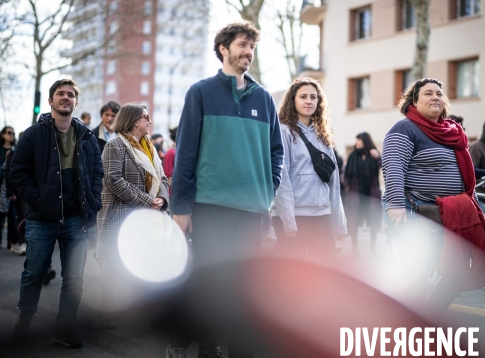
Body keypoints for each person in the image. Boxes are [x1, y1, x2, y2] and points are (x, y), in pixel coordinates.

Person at [169, 21, 284, 358]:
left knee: (244, 281)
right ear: (223, 48)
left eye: (252, 46)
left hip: (252, 207)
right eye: (242, 45)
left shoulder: (264, 97)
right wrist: (181, 208)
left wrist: (268, 187)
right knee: (210, 278)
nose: (248, 52)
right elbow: (186, 152)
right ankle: (207, 346)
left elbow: (276, 150)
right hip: (209, 205)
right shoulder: (201, 92)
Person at [382, 78, 485, 313]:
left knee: (456, 273)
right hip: (414, 210)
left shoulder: (452, 132)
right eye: (428, 93)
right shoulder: (405, 128)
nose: (435, 97)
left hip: (449, 212)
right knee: (418, 275)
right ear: (414, 101)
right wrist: (395, 203)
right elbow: (393, 166)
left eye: (439, 93)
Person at [11, 79, 103, 347]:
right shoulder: (32, 134)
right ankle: (25, 318)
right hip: (42, 218)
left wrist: (94, 200)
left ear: (76, 102)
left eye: (71, 94)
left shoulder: (86, 137)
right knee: (34, 273)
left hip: (77, 219)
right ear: (50, 101)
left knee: (74, 278)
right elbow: (17, 171)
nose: (66, 97)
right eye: (60, 94)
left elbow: (97, 172)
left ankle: (64, 330)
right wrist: (36, 200)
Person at [96, 103, 170, 329]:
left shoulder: (149, 147)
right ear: (133, 120)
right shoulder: (115, 145)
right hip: (121, 217)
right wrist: (149, 201)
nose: (149, 121)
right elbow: (114, 181)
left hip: (146, 219)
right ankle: (108, 312)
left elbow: (163, 179)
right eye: (145, 117)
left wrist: (163, 200)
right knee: (115, 268)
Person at [271, 78, 346, 264]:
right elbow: (282, 178)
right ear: (292, 100)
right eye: (303, 96)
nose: (309, 101)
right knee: (294, 275)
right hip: (293, 215)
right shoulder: (283, 131)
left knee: (327, 271)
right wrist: (288, 220)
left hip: (321, 214)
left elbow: (333, 180)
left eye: (313, 97)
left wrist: (339, 224)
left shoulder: (323, 135)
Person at [344, 132, 382, 256]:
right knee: (354, 221)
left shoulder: (373, 154)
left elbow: (384, 166)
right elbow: (347, 176)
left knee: (374, 222)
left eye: (359, 140)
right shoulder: (353, 155)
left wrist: (378, 157)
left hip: (371, 194)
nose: (357, 143)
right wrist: (347, 190)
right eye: (357, 140)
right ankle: (354, 249)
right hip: (356, 195)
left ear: (365, 141)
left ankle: (373, 247)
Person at [0, 126, 16, 249]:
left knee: (12, 214)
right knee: (1, 214)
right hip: (1, 186)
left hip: (12, 186)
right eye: (9, 133)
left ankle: (11, 241)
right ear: (3, 135)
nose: (11, 135)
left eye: (13, 133)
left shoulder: (15, 149)